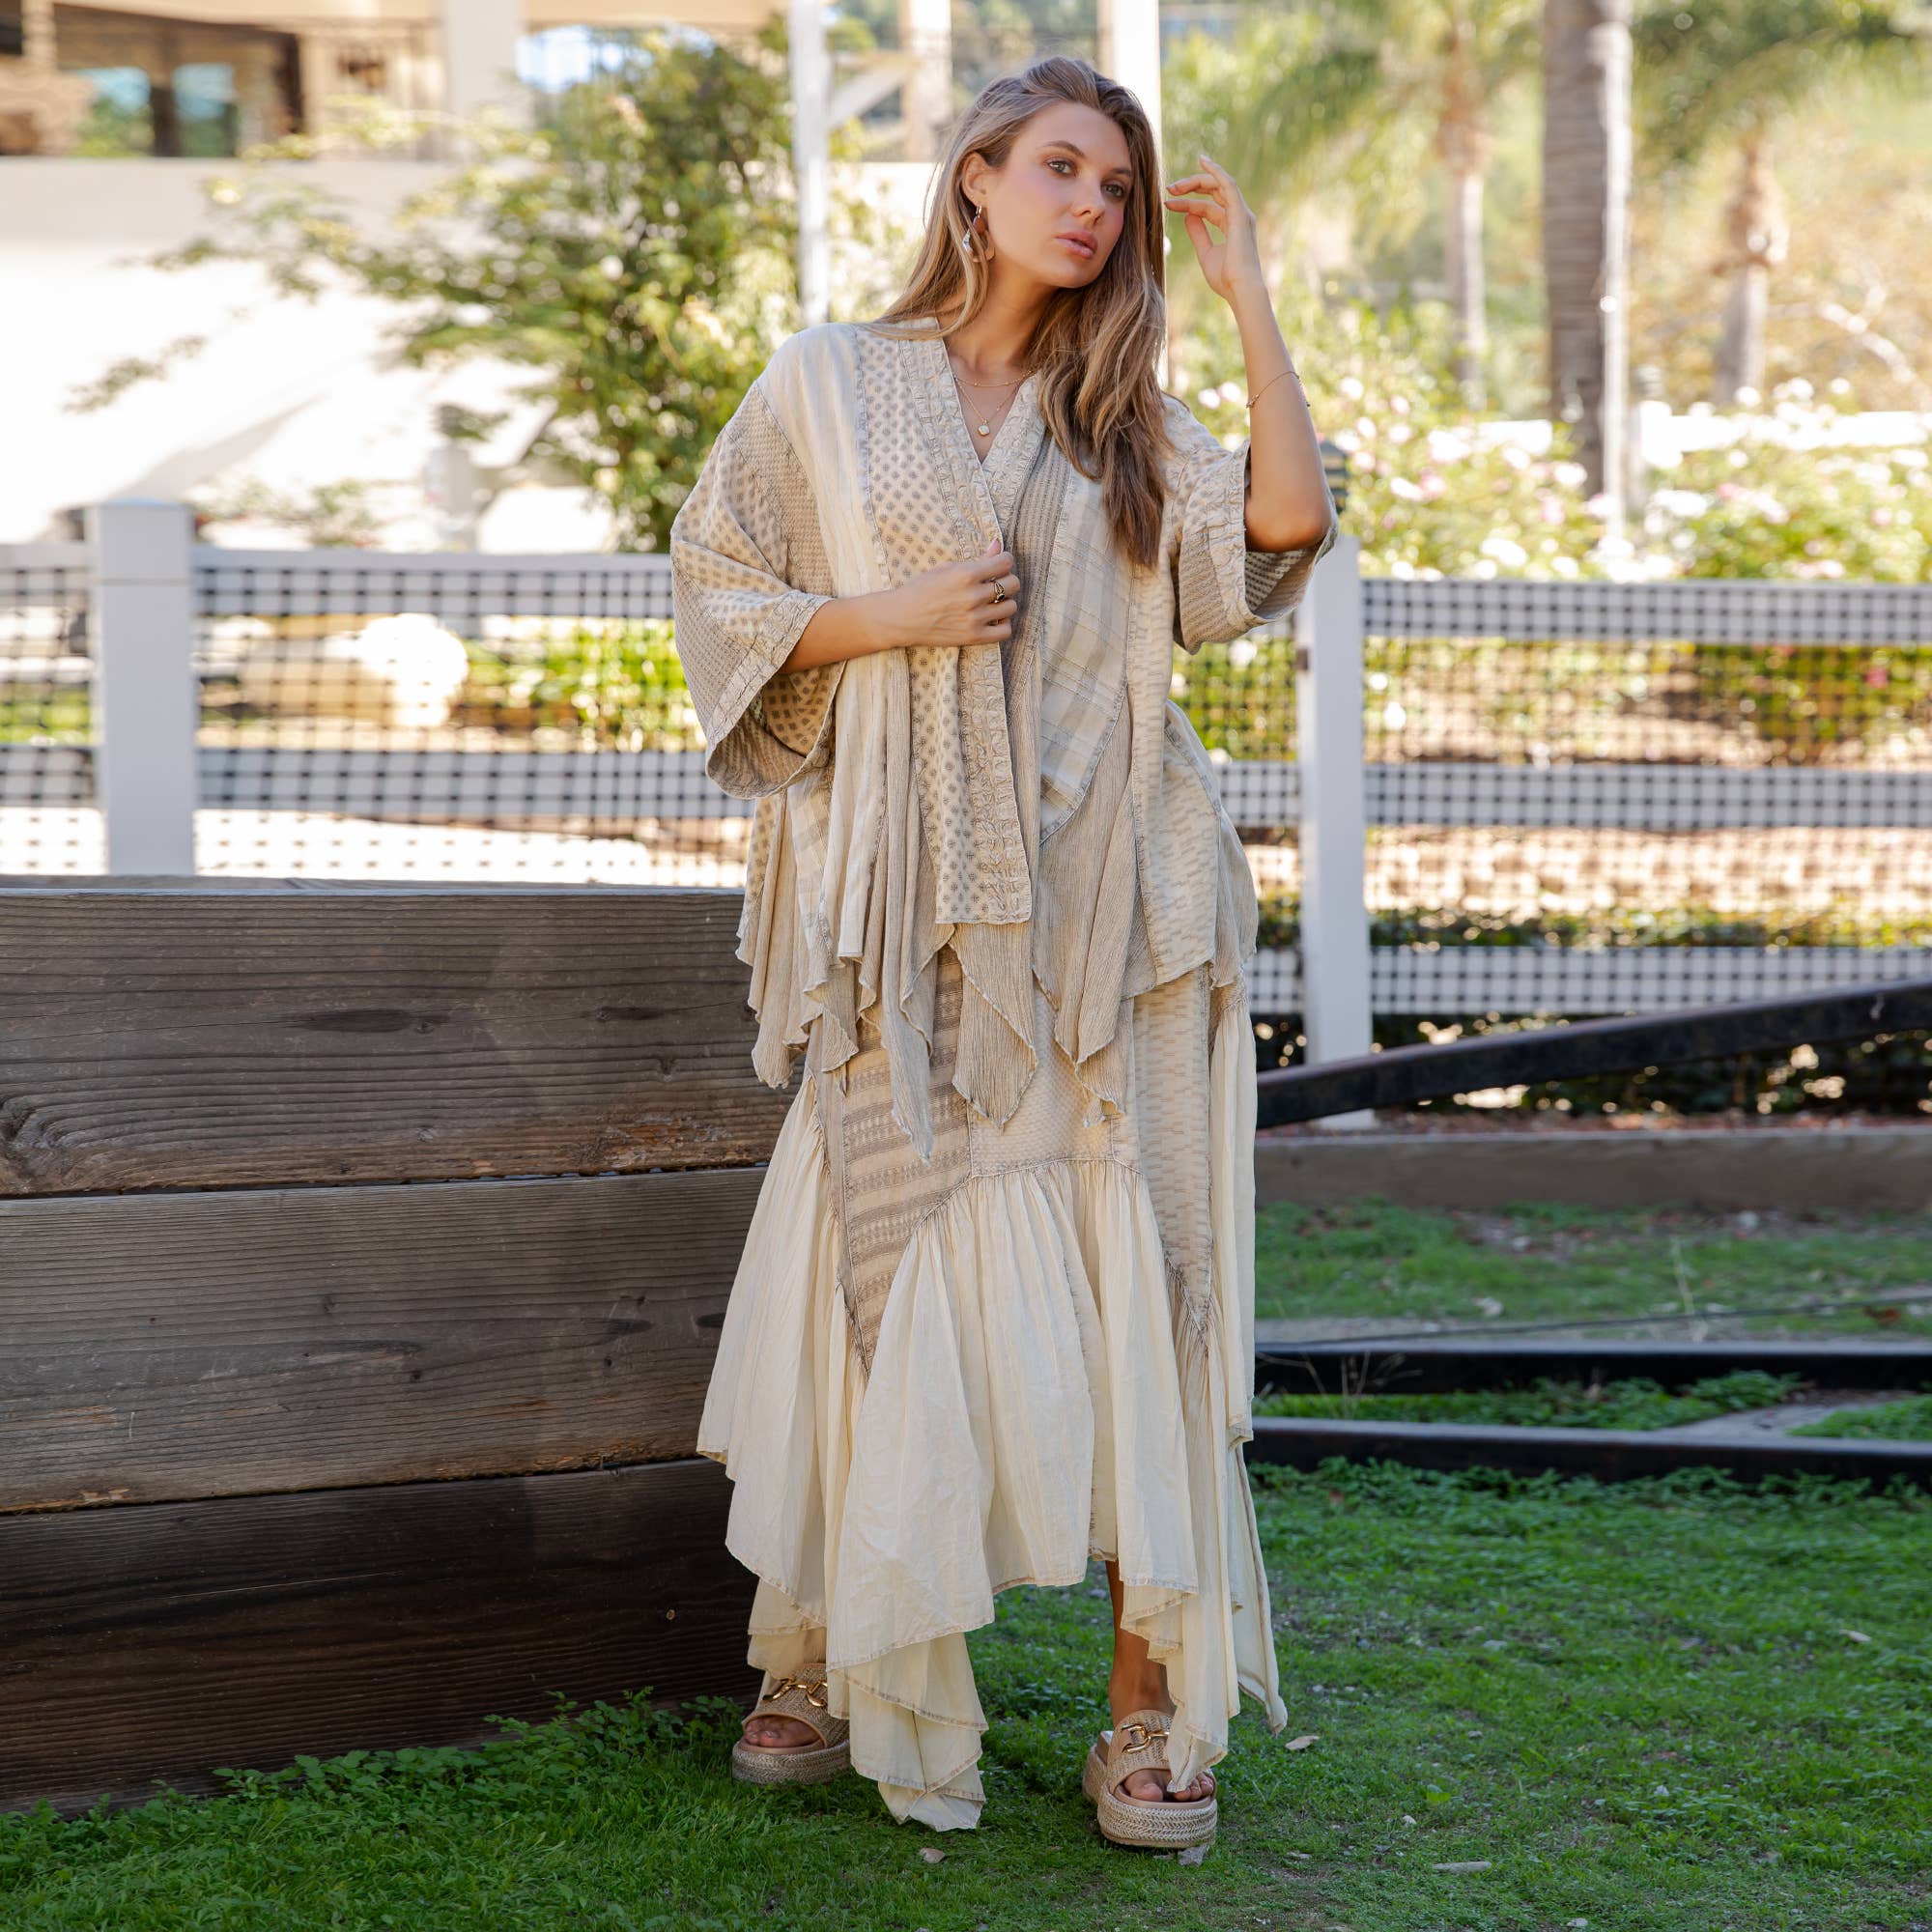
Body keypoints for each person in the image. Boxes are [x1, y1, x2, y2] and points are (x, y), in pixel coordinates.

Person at [669, 52, 1338, 1849]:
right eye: (1059, 168)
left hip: (1116, 923)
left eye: (1113, 184)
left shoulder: (1125, 422)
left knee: (1143, 1286)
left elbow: (1281, 530)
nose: (1091, 207)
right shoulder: (828, 384)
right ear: (974, 176)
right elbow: (717, 585)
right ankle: (829, 1649)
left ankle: (1144, 1706)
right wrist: (886, 614)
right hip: (905, 924)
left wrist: (1249, 296)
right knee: (879, 1267)